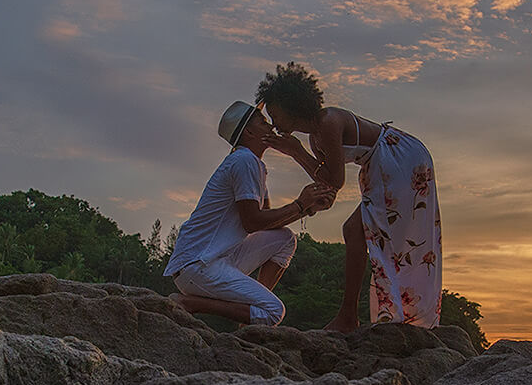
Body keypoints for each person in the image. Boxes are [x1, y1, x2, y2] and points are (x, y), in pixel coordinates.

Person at [257, 62, 442, 331]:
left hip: (399, 158)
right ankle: (354, 315)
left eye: (274, 114)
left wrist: (295, 152)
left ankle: (349, 316)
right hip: (383, 161)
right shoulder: (315, 137)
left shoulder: (328, 122)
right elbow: (327, 184)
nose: (274, 123)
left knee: (358, 231)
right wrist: (309, 200)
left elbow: (335, 181)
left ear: (289, 105)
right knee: (359, 232)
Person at [162, 99, 337, 325]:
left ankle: (252, 315)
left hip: (216, 259)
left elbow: (268, 223)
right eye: (263, 122)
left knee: (285, 239)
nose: (271, 126)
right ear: (249, 132)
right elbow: (252, 223)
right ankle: (191, 304)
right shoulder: (244, 161)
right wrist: (300, 205)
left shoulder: (253, 164)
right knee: (274, 312)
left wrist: (308, 208)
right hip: (198, 265)